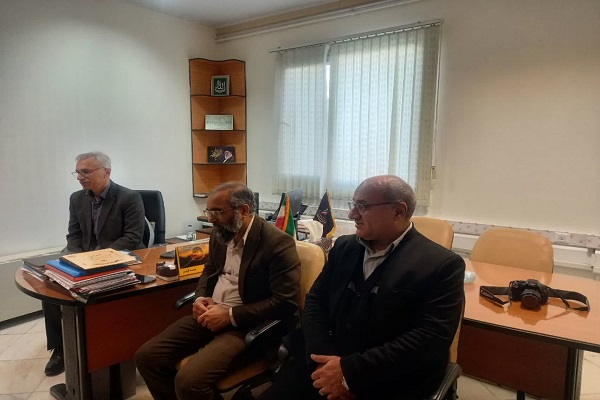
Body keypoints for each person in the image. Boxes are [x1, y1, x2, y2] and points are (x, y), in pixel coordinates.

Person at [258, 175, 465, 400]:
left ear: (399, 211)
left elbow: (429, 339)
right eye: (353, 204)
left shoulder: (441, 265)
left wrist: (348, 371)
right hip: (324, 361)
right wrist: (324, 360)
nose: (352, 214)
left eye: (362, 206)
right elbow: (316, 301)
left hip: (387, 377)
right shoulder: (344, 247)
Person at [135, 181, 301, 400]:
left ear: (244, 211)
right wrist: (201, 297)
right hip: (211, 313)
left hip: (246, 325)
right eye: (209, 211)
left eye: (218, 212)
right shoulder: (220, 234)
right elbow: (210, 269)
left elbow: (285, 301)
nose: (211, 219)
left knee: (189, 382)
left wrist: (229, 315)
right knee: (147, 357)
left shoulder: (277, 243)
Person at [42, 151, 145, 376]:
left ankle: (103, 345)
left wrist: (96, 259)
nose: (80, 177)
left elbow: (132, 237)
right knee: (51, 285)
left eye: (86, 172)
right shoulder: (77, 198)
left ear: (106, 172)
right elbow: (74, 234)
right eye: (77, 172)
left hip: (119, 259)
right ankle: (60, 349)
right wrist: (76, 257)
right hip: (85, 258)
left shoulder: (129, 197)